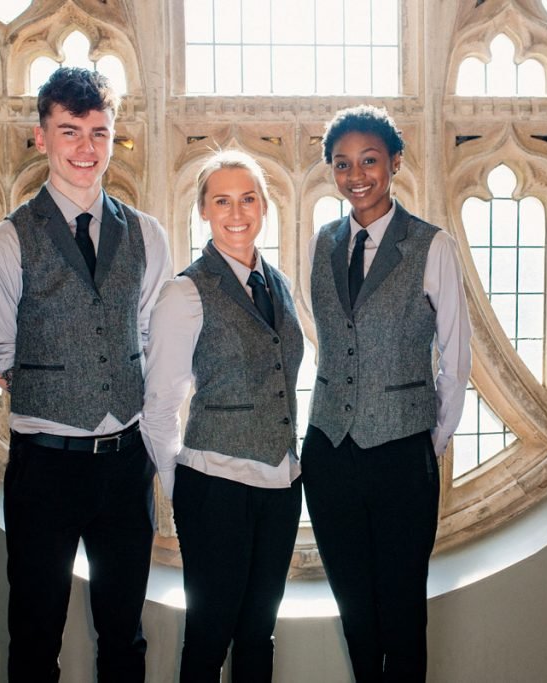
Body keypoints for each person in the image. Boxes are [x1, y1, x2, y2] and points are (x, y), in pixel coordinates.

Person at [0, 66, 172, 682]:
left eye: (100, 133)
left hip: (123, 462)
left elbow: (146, 334)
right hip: (44, 466)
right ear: (42, 137)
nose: (86, 149)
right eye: (71, 131)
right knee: (34, 635)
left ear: (114, 138)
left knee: (124, 637)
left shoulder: (148, 234)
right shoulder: (6, 243)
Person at [302, 105, 472, 682]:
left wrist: (426, 443)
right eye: (343, 163)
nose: (357, 175)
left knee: (401, 614)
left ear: (394, 162)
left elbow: (456, 357)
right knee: (355, 613)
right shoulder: (322, 243)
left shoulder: (432, 247)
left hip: (403, 456)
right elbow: (329, 336)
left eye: (370, 160)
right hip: (329, 452)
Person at [141, 150, 304, 682]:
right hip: (216, 488)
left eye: (249, 198)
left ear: (264, 207)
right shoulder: (184, 293)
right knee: (209, 638)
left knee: (259, 635)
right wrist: (182, 488)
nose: (238, 212)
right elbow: (160, 407)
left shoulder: (278, 284)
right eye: (223, 200)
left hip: (281, 486)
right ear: (204, 212)